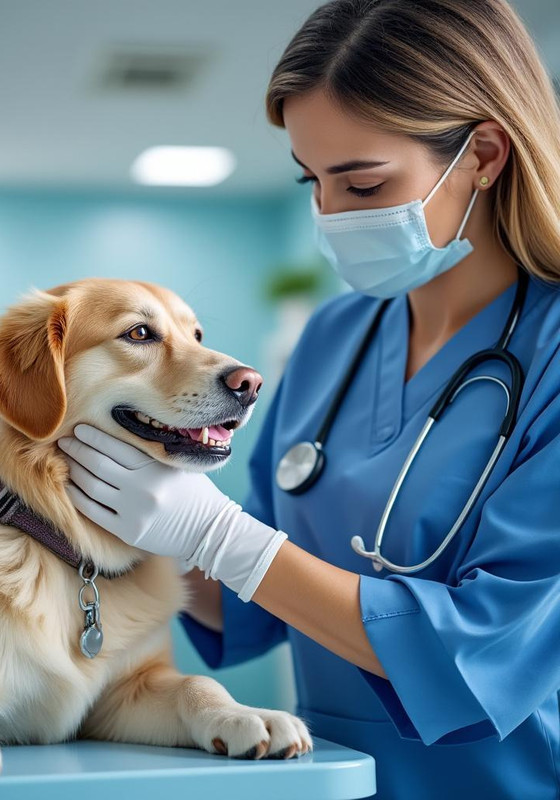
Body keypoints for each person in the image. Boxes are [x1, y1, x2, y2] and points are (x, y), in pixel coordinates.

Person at [56, 0, 560, 796]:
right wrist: (139, 523)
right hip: (330, 779)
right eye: (312, 180)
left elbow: (485, 650)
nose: (329, 214)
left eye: (362, 182)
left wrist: (218, 535)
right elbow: (256, 606)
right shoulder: (334, 337)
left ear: (484, 154)